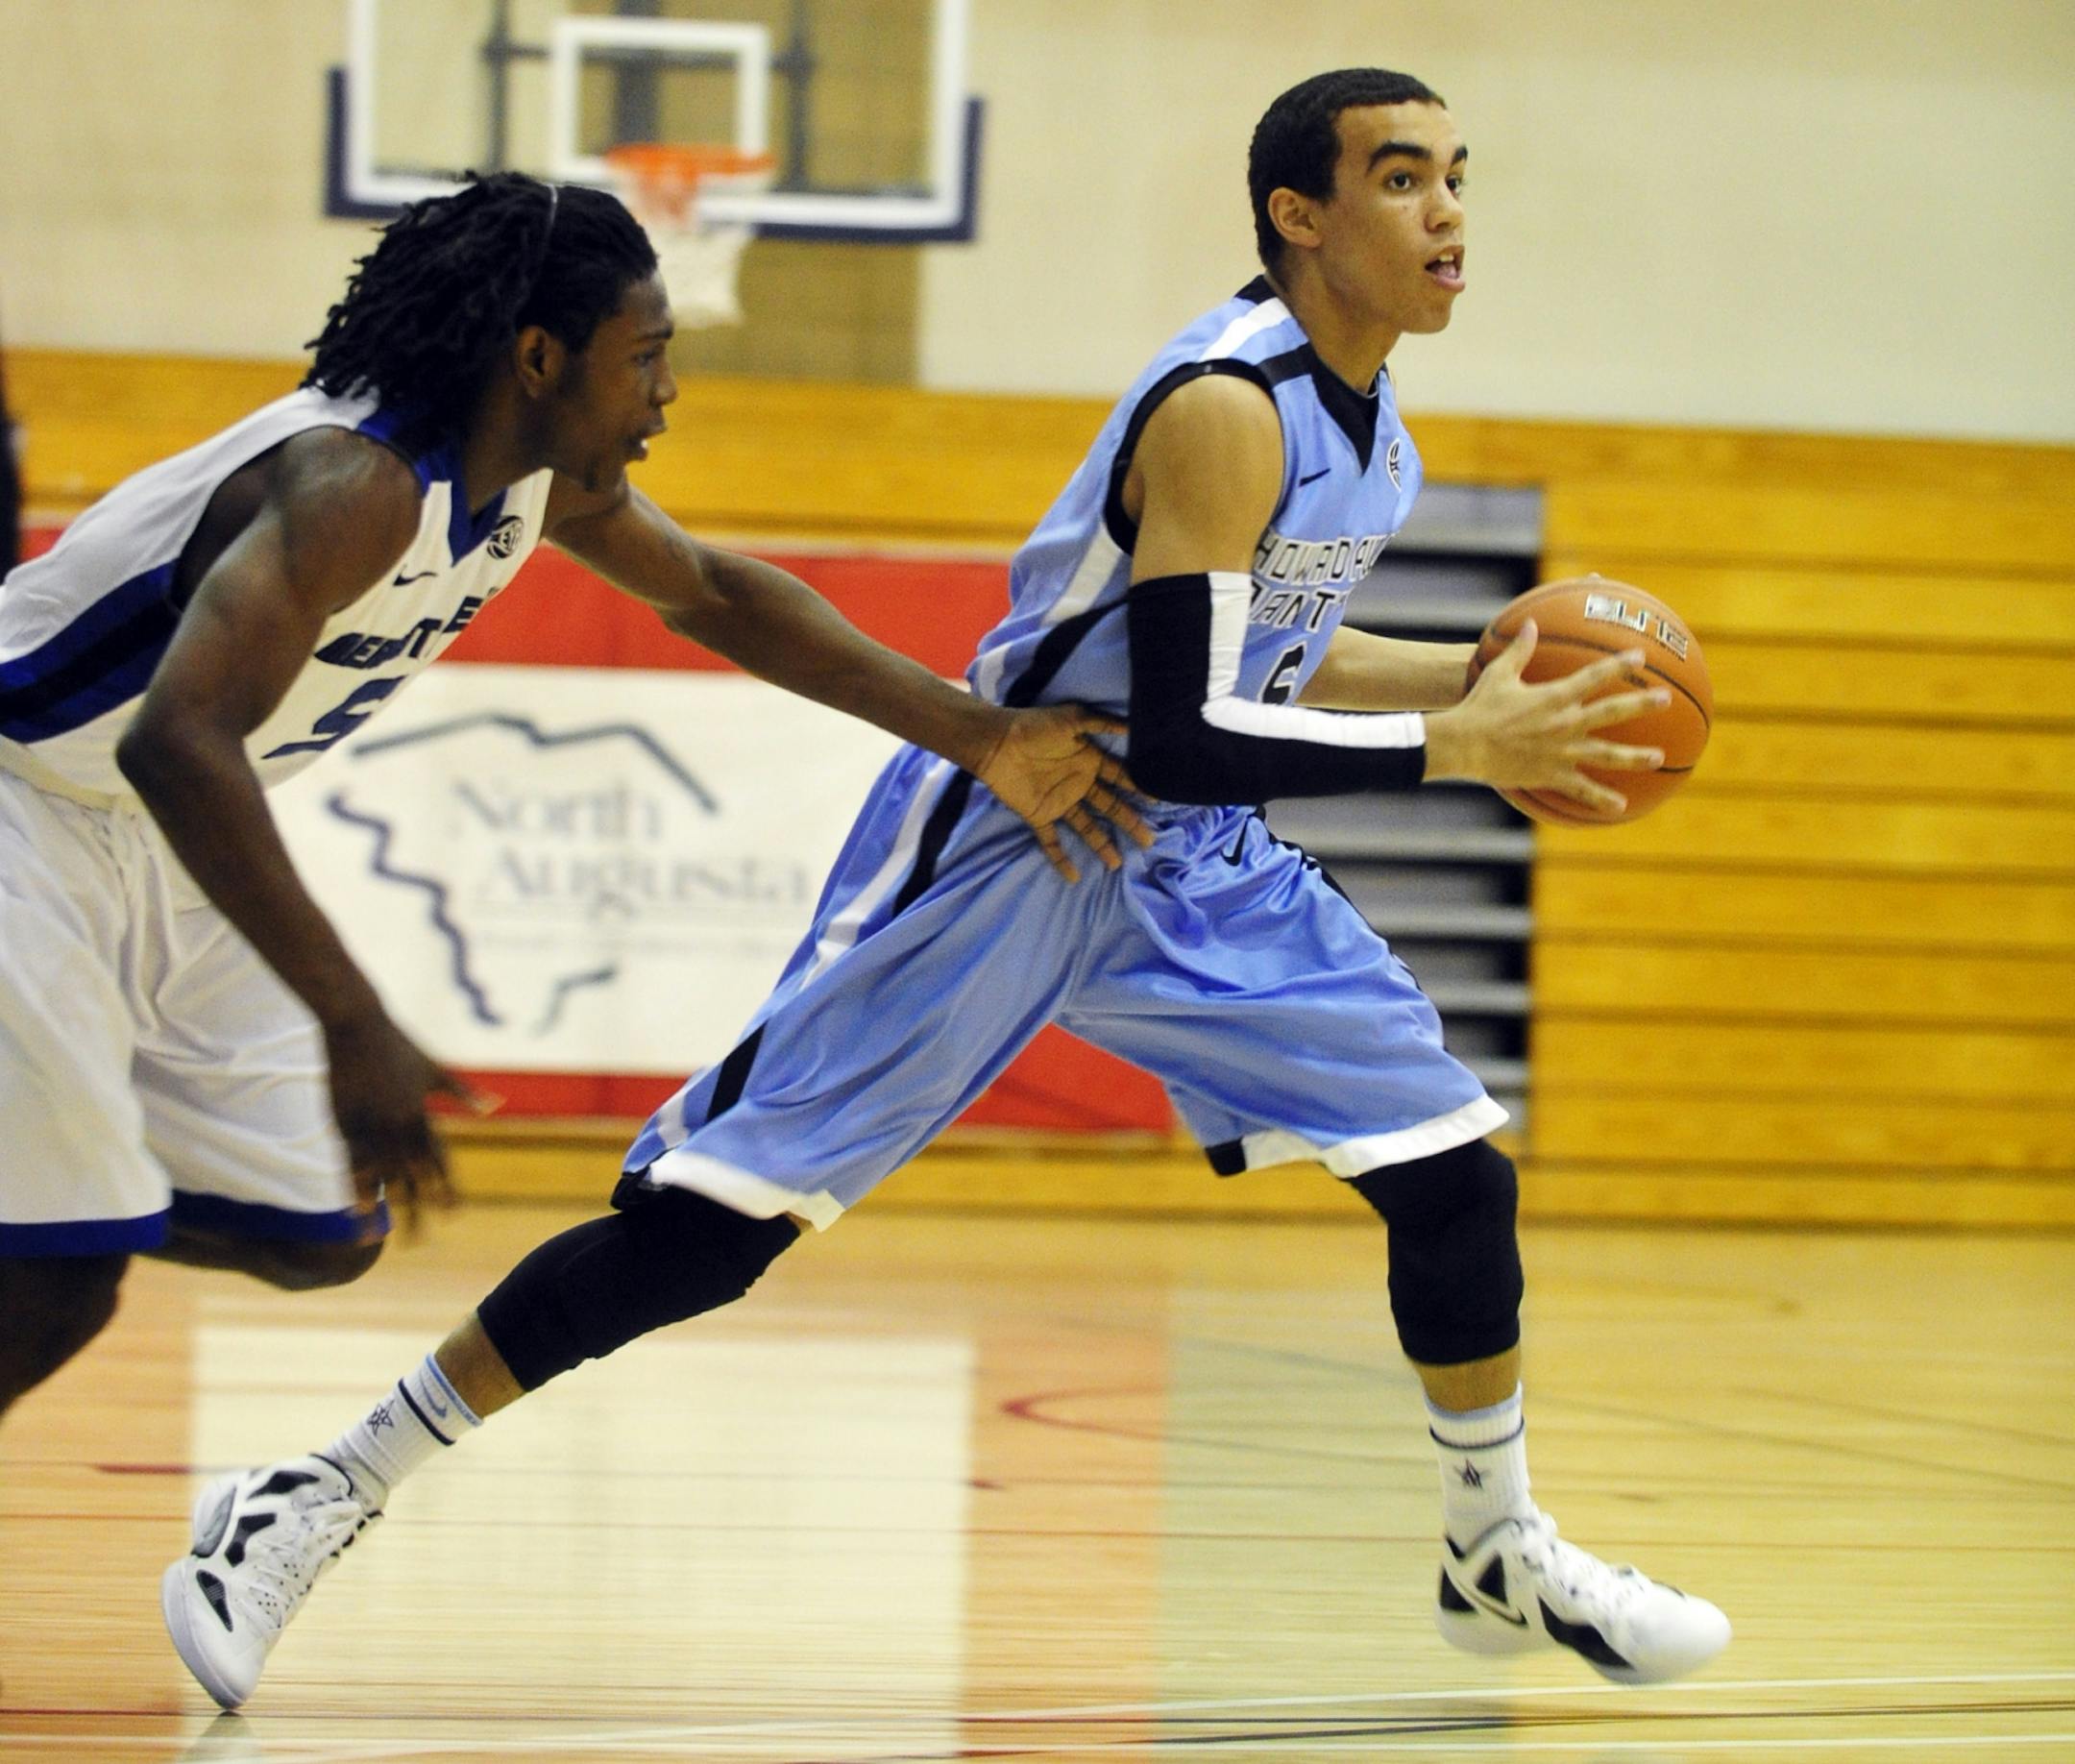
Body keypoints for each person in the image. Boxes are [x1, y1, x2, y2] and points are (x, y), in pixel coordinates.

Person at [160, 71, 1730, 1709]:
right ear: (1301, 217)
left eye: (1458, 176)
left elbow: (1264, 648)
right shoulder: (1228, 404)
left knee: (1453, 1175)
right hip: (1031, 823)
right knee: (708, 1235)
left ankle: (1494, 1547)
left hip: (1194, 860)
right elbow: (1185, 726)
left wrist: (1474, 671)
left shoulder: (1373, 432)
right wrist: (1457, 745)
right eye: (1404, 179)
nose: (1450, 212)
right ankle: (313, 1493)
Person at [0, 173, 1146, 1417]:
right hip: (25, 806)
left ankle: (63, 1200)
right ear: (539, 358)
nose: (668, 391)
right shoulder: (352, 485)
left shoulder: (534, 485)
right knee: (60, 1275)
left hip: (145, 841)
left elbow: (713, 592)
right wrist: (353, 1017)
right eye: (644, 356)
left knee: (321, 1225)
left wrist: (983, 738)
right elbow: (177, 742)